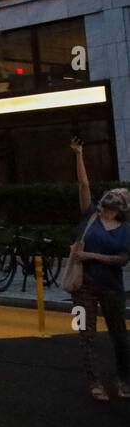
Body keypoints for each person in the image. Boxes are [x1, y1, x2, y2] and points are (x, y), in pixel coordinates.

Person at [70, 139, 130, 401]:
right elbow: (83, 185)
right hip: (82, 286)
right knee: (86, 335)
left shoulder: (126, 230)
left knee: (120, 336)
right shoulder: (89, 215)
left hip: (112, 289)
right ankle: (94, 381)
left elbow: (122, 260)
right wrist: (79, 154)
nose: (113, 194)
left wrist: (90, 255)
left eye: (119, 194)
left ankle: (124, 380)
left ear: (122, 208)